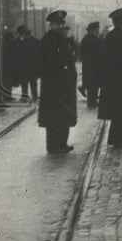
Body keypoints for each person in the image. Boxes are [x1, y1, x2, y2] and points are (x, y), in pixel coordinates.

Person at [38, 10, 78, 153]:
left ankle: (62, 143)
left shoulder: (64, 41)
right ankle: (53, 145)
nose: (61, 26)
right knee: (53, 117)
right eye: (58, 24)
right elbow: (45, 64)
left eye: (62, 23)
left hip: (65, 86)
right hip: (53, 86)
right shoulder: (48, 40)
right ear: (52, 25)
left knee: (64, 116)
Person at [99, 8, 122, 148]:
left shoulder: (110, 36)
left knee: (116, 112)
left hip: (113, 81)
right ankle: (120, 140)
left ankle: (113, 139)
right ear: (121, 21)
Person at [79, 22, 103, 107]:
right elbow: (100, 52)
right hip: (94, 66)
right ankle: (92, 102)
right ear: (94, 30)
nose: (98, 30)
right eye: (97, 29)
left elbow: (82, 53)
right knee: (94, 84)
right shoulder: (95, 39)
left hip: (87, 66)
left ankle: (91, 100)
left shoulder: (85, 39)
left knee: (91, 84)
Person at [15, 25, 40, 102]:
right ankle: (34, 96)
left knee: (25, 82)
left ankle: (25, 96)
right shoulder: (36, 41)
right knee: (32, 82)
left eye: (20, 34)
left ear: (24, 34)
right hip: (32, 66)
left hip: (26, 66)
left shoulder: (21, 42)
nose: (20, 36)